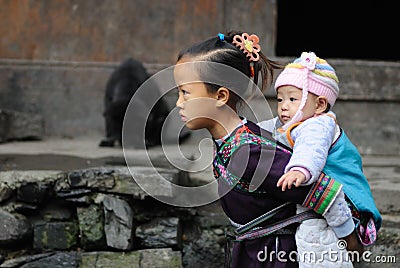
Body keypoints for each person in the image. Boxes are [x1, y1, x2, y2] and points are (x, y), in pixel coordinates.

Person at [174, 31, 357, 267]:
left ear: (220, 96)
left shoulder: (249, 151)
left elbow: (323, 192)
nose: (179, 103)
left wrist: (350, 242)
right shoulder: (229, 142)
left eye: (185, 93)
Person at [258, 52, 382, 266]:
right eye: (280, 99)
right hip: (324, 194)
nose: (283, 106)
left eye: (292, 99)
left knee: (318, 242)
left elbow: (311, 150)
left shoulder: (318, 125)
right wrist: (247, 130)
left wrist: (299, 170)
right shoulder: (298, 121)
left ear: (320, 105)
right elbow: (271, 129)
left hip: (342, 198)